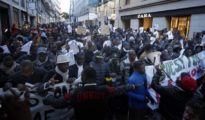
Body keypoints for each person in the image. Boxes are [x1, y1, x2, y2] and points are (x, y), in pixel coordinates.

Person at [43, 67, 138, 120]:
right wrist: (132, 86)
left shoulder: (76, 92)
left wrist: (48, 96)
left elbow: (59, 104)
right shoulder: (105, 89)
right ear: (95, 78)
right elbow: (118, 89)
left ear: (83, 78)